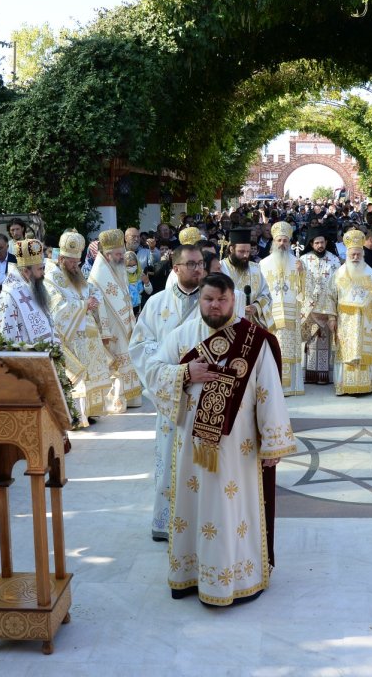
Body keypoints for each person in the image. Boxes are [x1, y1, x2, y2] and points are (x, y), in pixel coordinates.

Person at [146, 272, 296, 606]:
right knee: (194, 507)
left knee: (233, 511)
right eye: (209, 299)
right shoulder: (182, 335)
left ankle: (238, 576)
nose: (215, 306)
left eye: (222, 299)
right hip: (191, 449)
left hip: (239, 449)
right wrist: (185, 373)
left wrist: (272, 443)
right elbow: (152, 373)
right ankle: (192, 575)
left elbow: (269, 390)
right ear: (200, 300)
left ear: (233, 301)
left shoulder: (253, 339)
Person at [130, 244, 205, 542]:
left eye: (200, 263)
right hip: (170, 396)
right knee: (169, 459)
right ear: (175, 268)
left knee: (202, 462)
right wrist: (175, 369)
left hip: (203, 394)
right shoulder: (157, 303)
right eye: (190, 264)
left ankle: (201, 522)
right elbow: (140, 346)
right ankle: (166, 521)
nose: (197, 269)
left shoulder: (211, 302)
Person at [45, 230, 119, 428]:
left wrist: (93, 298)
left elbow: (89, 289)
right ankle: (77, 416)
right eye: (71, 262)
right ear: (61, 258)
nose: (76, 266)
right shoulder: (51, 277)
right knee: (79, 378)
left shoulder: (76, 273)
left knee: (93, 374)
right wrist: (84, 305)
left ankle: (91, 411)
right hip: (71, 338)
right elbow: (57, 309)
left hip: (88, 335)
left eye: (77, 262)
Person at [319, 230, 372, 396]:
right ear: (347, 254)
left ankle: (366, 386)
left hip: (365, 321)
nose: (355, 257)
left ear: (363, 254)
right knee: (346, 352)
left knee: (364, 352)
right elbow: (329, 297)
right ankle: (345, 386)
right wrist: (331, 318)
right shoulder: (338, 274)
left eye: (358, 254)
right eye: (352, 254)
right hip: (345, 322)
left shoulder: (371, 273)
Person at [88, 229, 143, 408]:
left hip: (125, 325)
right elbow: (98, 308)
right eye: (118, 254)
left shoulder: (118, 270)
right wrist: (105, 331)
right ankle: (117, 400)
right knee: (116, 365)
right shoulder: (98, 275)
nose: (122, 258)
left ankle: (132, 397)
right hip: (111, 329)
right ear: (108, 254)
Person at [259, 222, 305, 396]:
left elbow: (305, 290)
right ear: (274, 241)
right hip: (271, 315)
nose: (282, 244)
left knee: (290, 349)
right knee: (272, 350)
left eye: (285, 240)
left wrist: (302, 273)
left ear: (290, 242)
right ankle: (274, 385)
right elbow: (259, 289)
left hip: (292, 315)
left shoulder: (297, 263)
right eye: (279, 240)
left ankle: (292, 386)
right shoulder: (263, 264)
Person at [0, 239, 57, 345]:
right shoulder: (9, 296)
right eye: (40, 269)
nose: (43, 273)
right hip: (28, 358)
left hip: (45, 355)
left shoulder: (33, 288)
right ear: (26, 271)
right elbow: (8, 337)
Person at [298, 229, 341, 386]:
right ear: (311, 244)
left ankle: (325, 375)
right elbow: (299, 283)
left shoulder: (334, 260)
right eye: (316, 243)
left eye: (322, 242)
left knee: (325, 341)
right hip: (310, 307)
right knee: (310, 341)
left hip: (328, 307)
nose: (320, 245)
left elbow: (338, 282)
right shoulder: (303, 260)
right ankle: (308, 374)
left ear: (326, 243)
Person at [221, 228, 271, 323]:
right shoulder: (220, 268)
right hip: (227, 323)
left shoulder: (255, 268)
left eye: (248, 252)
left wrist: (256, 307)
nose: (245, 255)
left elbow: (265, 294)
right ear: (231, 249)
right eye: (241, 251)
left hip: (252, 324)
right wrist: (238, 309)